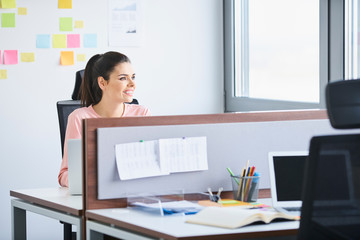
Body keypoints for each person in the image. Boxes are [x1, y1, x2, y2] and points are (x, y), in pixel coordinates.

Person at [58, 51, 151, 187]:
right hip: (95, 194)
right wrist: (87, 182)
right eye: (123, 78)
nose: (132, 84)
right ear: (102, 82)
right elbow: (64, 174)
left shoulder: (142, 114)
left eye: (133, 77)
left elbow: (150, 164)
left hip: (135, 191)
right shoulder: (79, 118)